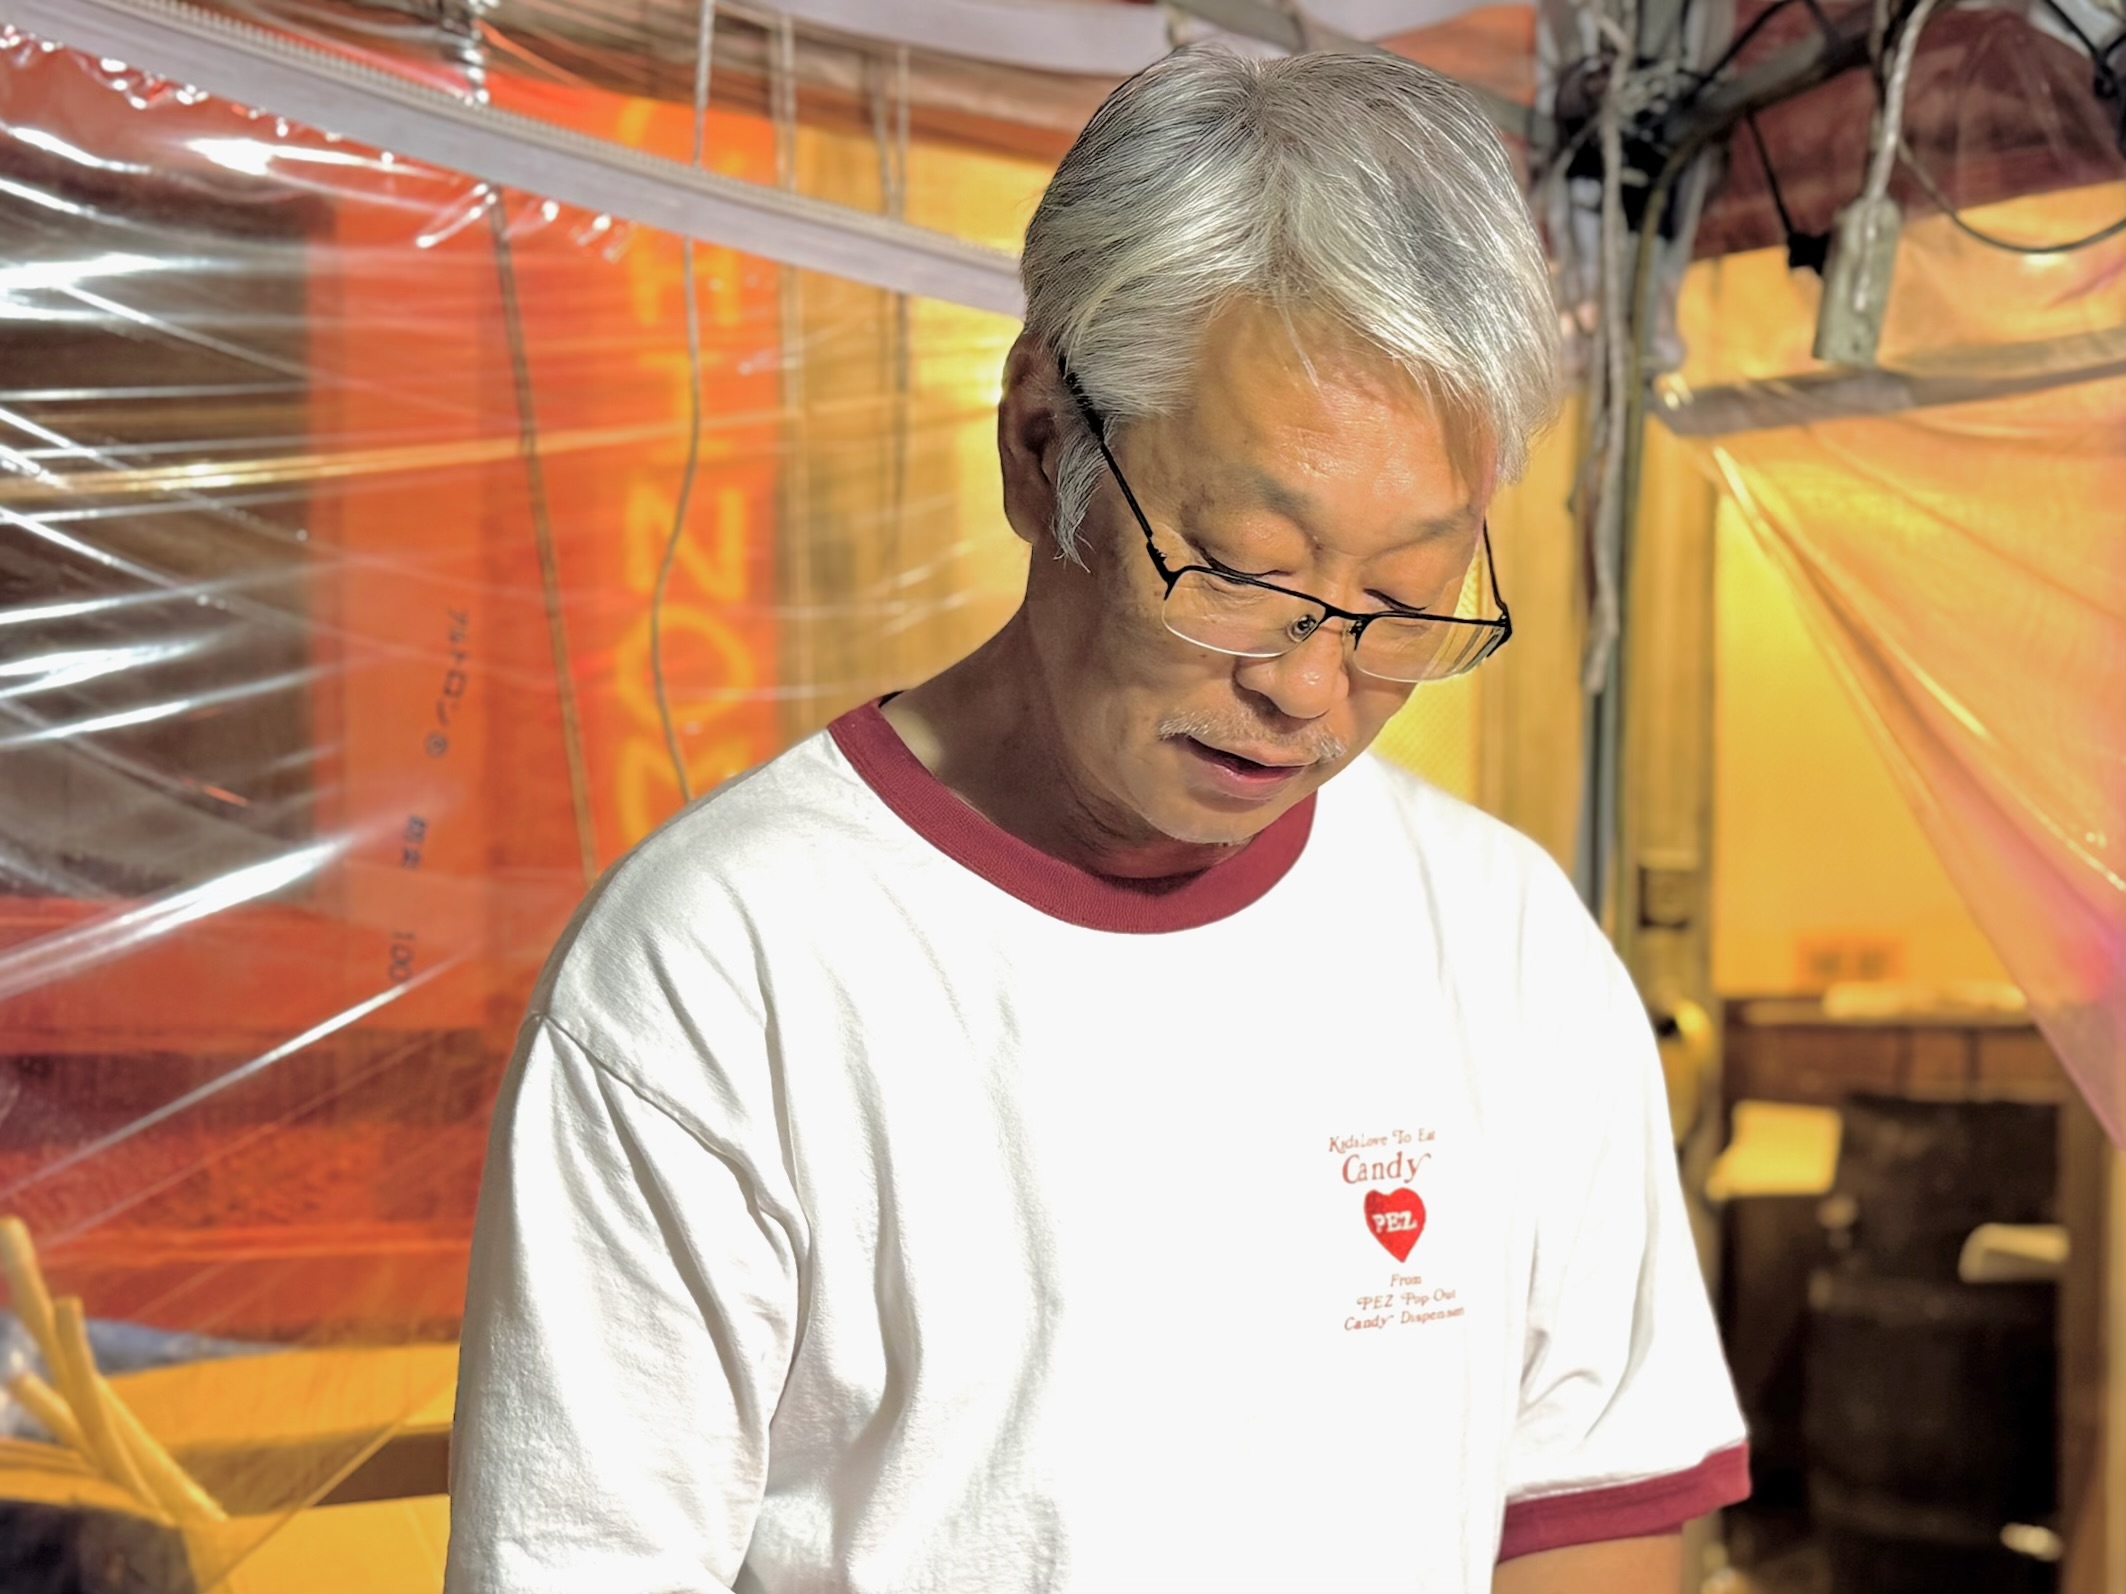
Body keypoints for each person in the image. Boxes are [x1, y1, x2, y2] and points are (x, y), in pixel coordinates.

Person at [445, 45, 1747, 1594]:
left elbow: (1594, 1511)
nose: (1308, 690)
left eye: (1403, 603)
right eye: (1243, 573)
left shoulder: (1501, 942)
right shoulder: (721, 974)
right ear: (1039, 442)